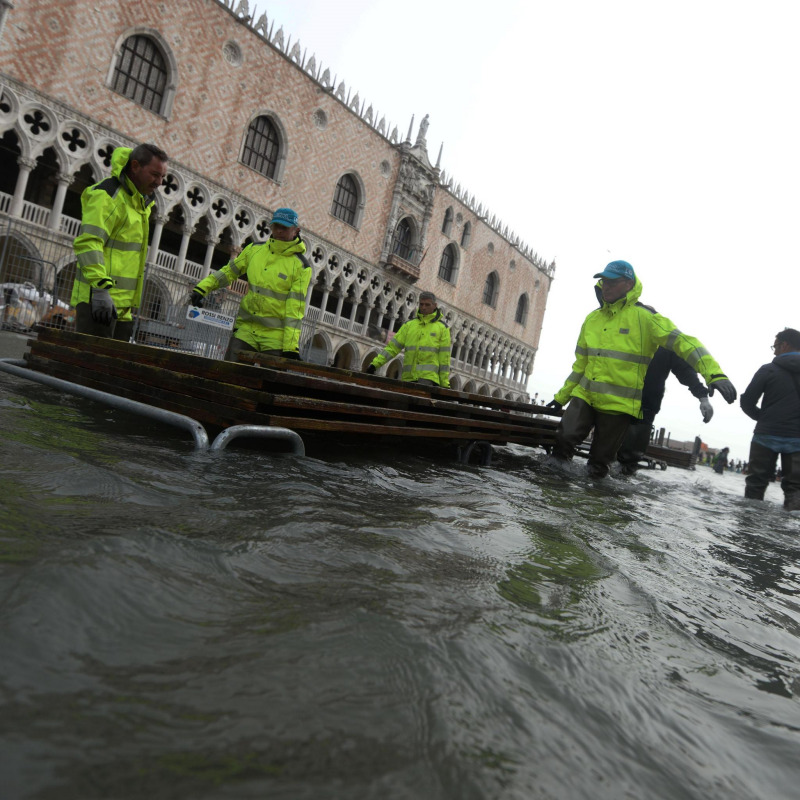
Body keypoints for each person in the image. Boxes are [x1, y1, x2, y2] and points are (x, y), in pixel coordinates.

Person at [546, 260, 736, 478]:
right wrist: (562, 397)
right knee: (562, 443)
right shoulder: (592, 319)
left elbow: (686, 344)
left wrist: (714, 374)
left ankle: (593, 505)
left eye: (612, 282)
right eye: (603, 281)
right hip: (585, 396)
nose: (605, 286)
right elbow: (580, 365)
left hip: (620, 405)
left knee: (600, 464)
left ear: (628, 284)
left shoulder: (646, 319)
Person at [71, 143, 169, 340]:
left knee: (109, 367)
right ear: (135, 166)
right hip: (98, 301)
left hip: (122, 308)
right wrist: (100, 288)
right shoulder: (107, 195)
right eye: (154, 174)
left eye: (162, 177)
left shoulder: (139, 202)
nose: (159, 182)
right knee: (90, 366)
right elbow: (89, 242)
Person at [190, 208, 312, 361]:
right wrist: (202, 288)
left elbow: (295, 309)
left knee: (270, 383)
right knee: (229, 374)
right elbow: (229, 272)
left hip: (275, 338)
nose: (279, 231)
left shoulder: (301, 266)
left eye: (285, 228)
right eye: (276, 226)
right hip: (245, 330)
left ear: (296, 231)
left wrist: (290, 347)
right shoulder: (254, 250)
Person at [617, 346, 714, 474]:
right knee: (602, 458)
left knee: (626, 464)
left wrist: (703, 397)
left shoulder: (665, 342)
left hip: (643, 409)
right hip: (611, 402)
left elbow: (684, 370)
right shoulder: (617, 332)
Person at [739, 327, 800, 511]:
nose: (774, 350)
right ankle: (788, 535)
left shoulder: (768, 370)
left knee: (755, 486)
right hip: (798, 439)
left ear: (784, 345)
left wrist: (764, 418)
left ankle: (748, 531)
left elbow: (747, 401)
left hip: (765, 436)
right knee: (796, 490)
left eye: (775, 346)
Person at [365, 291, 450, 387]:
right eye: (421, 304)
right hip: (408, 378)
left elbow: (444, 359)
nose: (423, 307)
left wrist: (444, 384)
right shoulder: (409, 325)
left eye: (427, 305)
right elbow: (392, 348)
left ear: (435, 306)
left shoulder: (443, 328)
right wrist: (374, 365)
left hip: (428, 379)